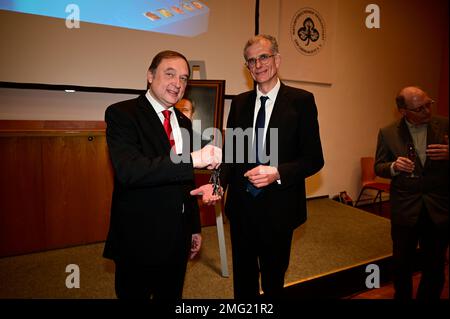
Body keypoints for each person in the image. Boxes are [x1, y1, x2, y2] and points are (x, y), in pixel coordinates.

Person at [103, 50, 221, 299]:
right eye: (170, 74)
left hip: (177, 239)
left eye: (184, 78)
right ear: (150, 75)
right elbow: (130, 171)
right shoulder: (122, 114)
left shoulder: (184, 122)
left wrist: (193, 227)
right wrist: (193, 158)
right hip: (139, 239)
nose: (178, 84)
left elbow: (184, 179)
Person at [219, 34, 324, 298]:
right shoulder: (239, 102)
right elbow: (231, 155)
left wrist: (277, 172)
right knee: (243, 280)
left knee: (274, 278)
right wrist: (217, 184)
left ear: (277, 59)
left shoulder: (301, 101)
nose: (257, 64)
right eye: (251, 60)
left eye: (263, 56)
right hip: (241, 208)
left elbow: (314, 159)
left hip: (280, 208)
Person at [374, 86, 449, 300]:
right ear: (403, 111)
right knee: (401, 263)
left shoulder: (445, 124)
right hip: (405, 209)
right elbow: (379, 166)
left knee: (435, 264)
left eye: (428, 104)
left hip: (438, 208)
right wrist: (394, 167)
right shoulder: (387, 132)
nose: (427, 111)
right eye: (419, 108)